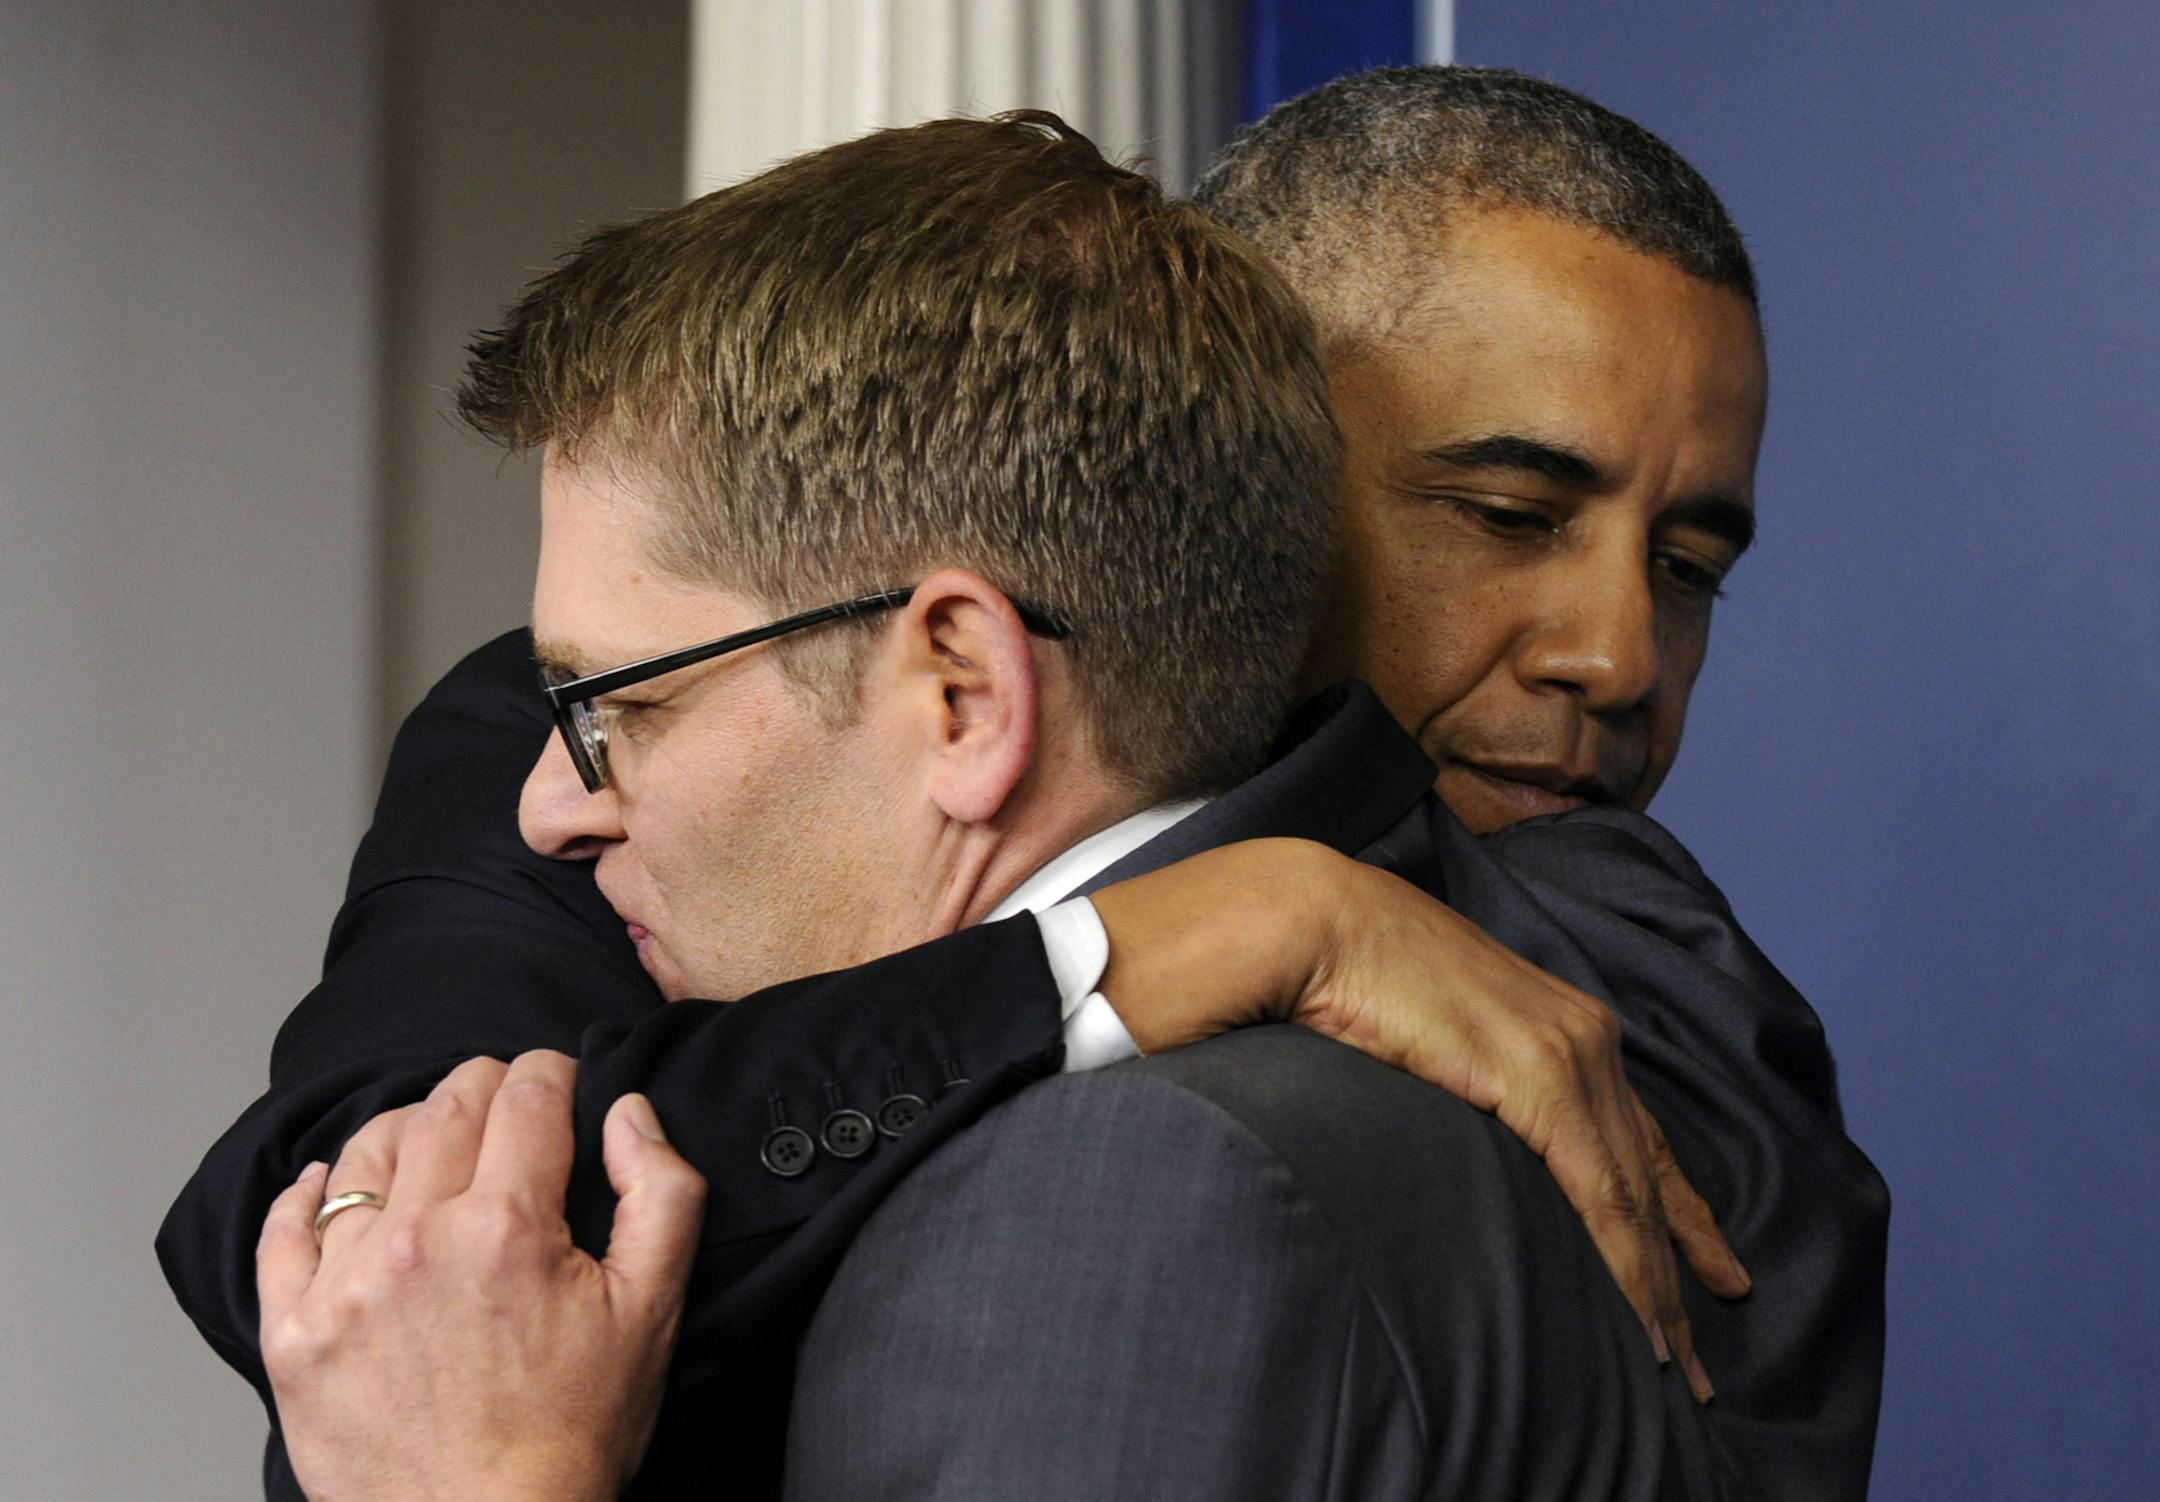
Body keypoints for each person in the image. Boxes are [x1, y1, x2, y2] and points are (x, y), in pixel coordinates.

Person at [246, 77, 1880, 1500]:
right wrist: (1121, 954)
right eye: (1508, 513)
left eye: (1687, 567)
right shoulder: (619, 735)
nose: (1619, 651)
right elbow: (344, 1229)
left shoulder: (1613, 1000)